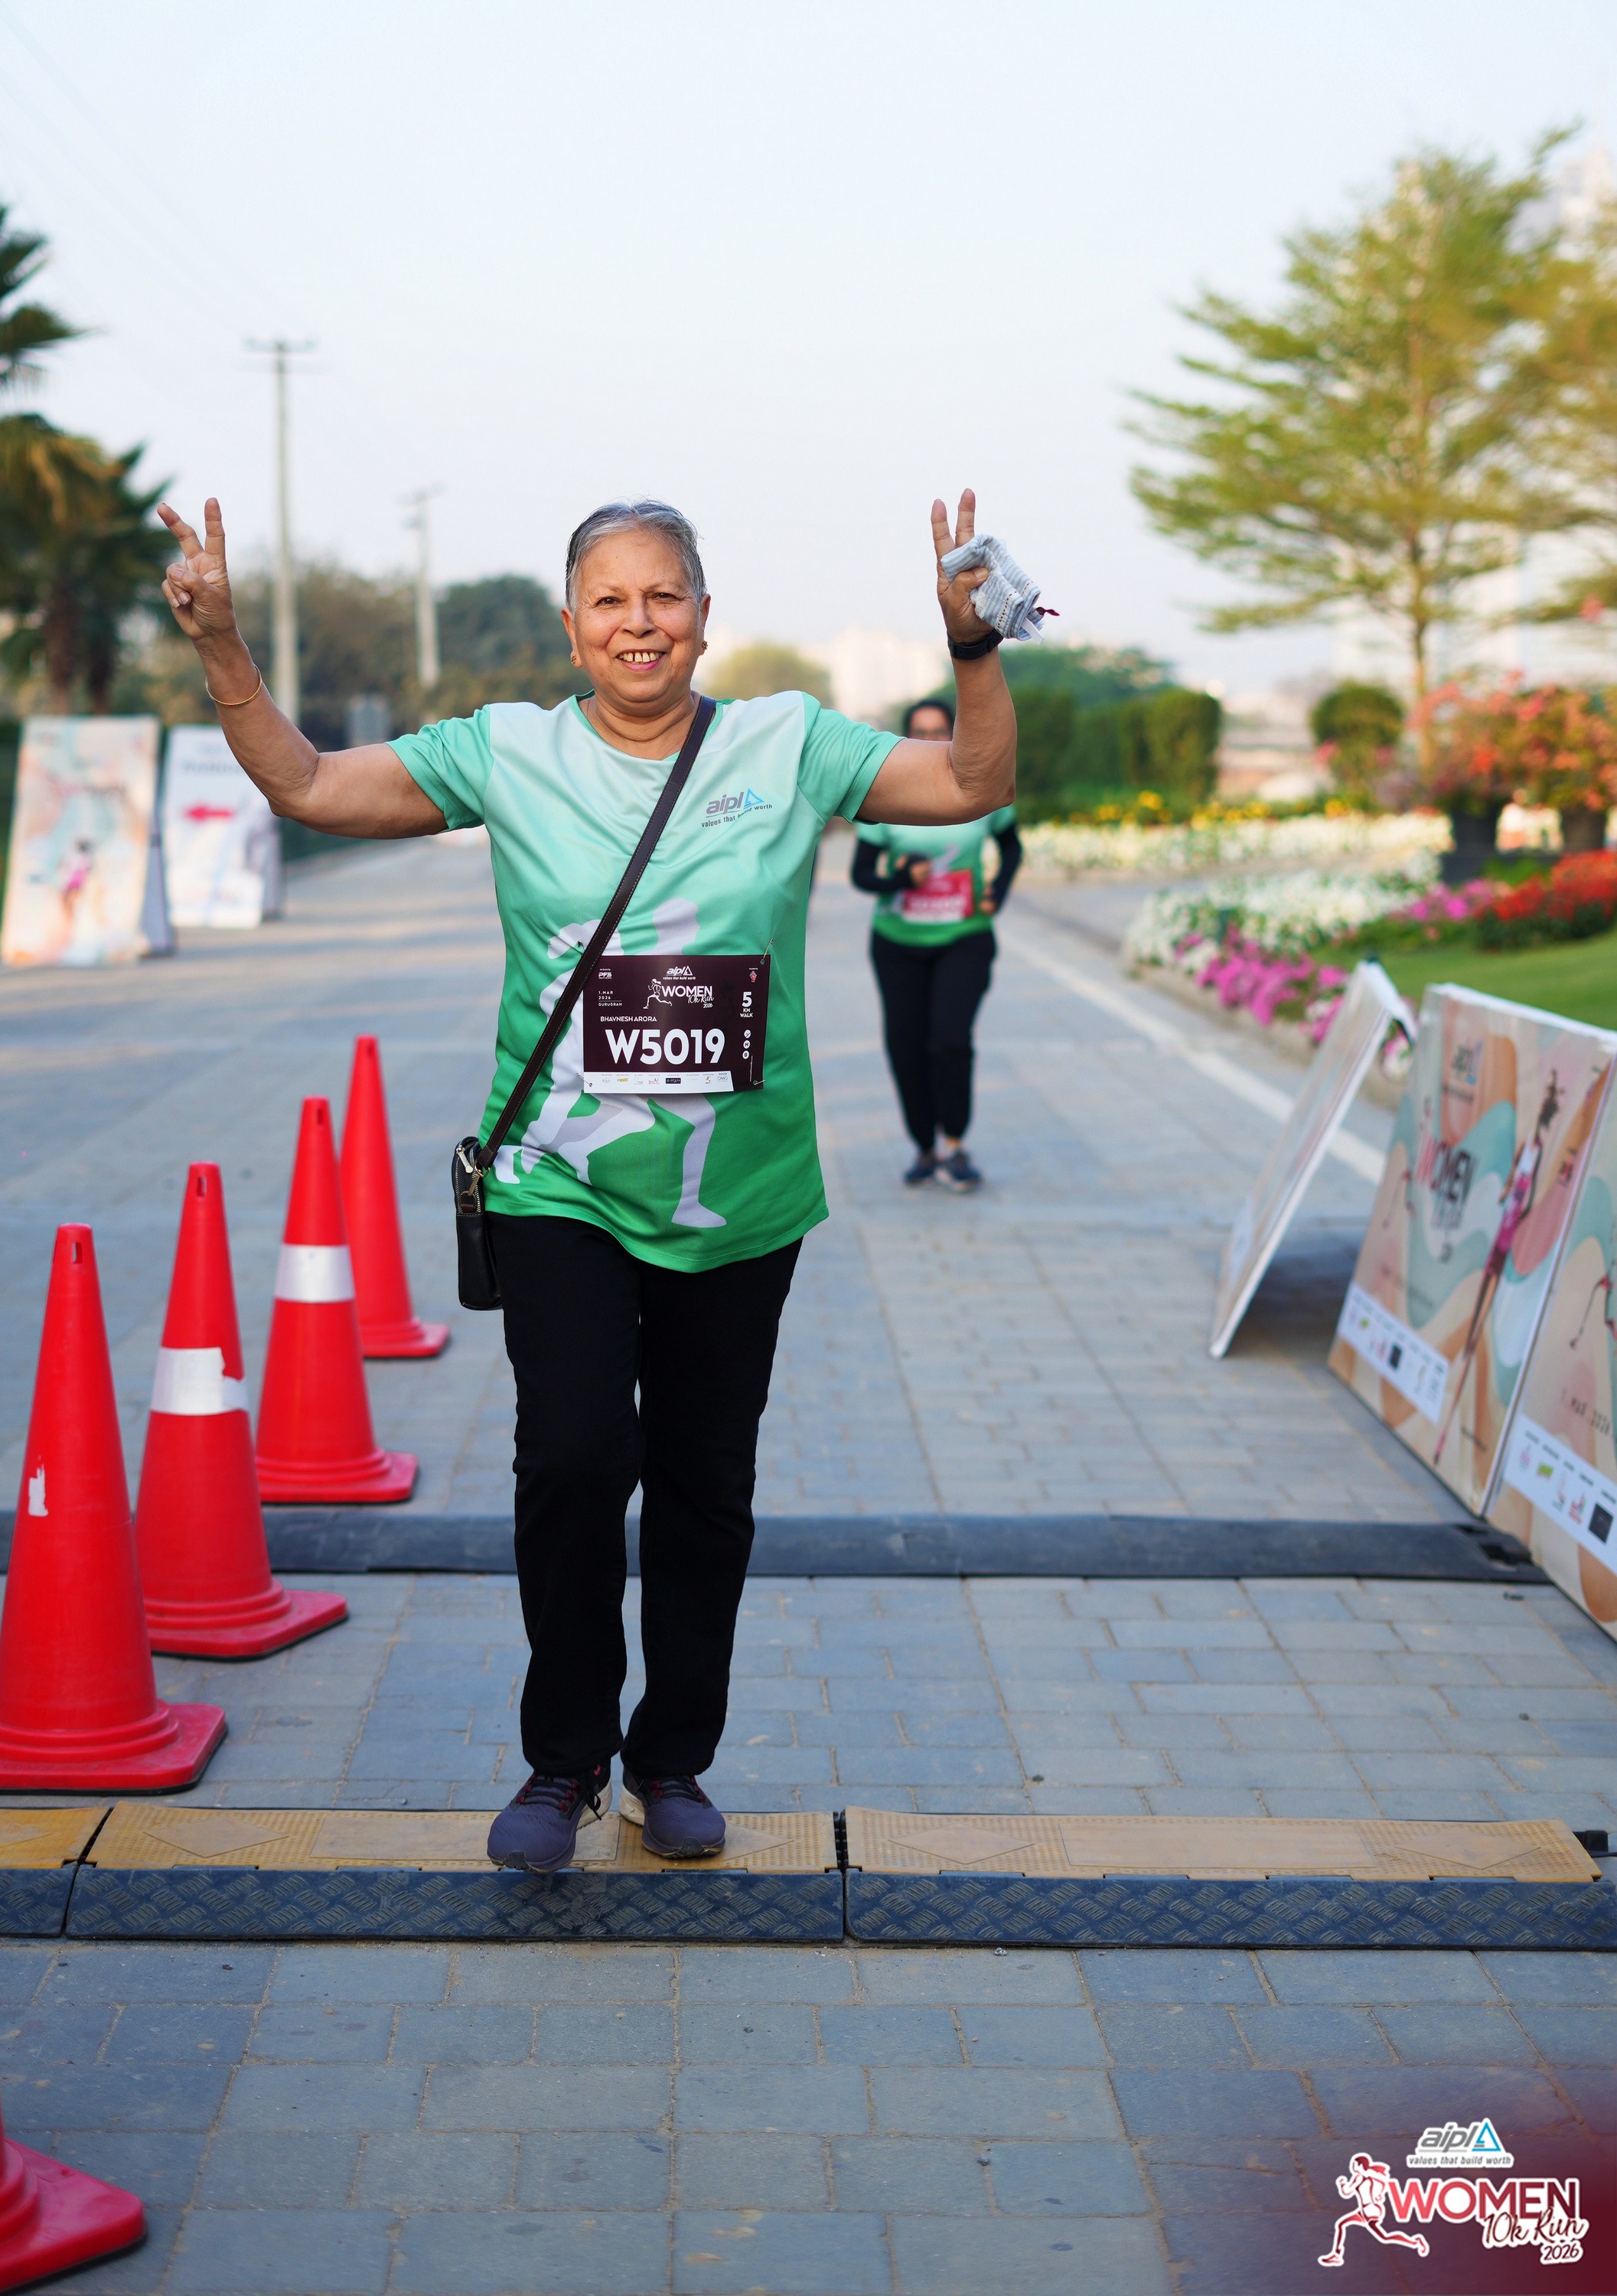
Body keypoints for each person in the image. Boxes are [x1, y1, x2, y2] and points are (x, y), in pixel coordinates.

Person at [158, 486, 1019, 1873]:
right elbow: (309, 786)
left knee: (702, 1479)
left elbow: (972, 786)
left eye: (663, 595)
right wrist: (221, 649)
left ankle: (669, 1758)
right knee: (569, 1459)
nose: (639, 622)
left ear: (704, 616)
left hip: (738, 1193)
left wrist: (970, 649)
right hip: (556, 1182)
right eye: (609, 600)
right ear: (571, 629)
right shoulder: (507, 752)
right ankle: (562, 1759)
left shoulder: (787, 743)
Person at [852, 696, 1020, 1190]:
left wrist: (997, 891)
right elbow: (862, 874)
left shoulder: (981, 791)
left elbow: (1012, 848)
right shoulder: (886, 798)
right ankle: (924, 1148)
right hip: (896, 944)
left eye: (939, 731)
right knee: (905, 1048)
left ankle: (955, 1144)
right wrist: (901, 878)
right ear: (905, 739)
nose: (929, 741)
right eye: (919, 732)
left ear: (956, 734)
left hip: (964, 939)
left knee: (949, 1040)